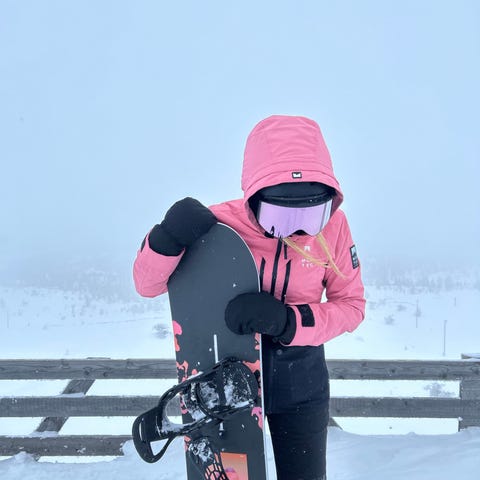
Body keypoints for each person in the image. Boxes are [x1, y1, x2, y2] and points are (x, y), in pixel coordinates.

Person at [133, 115, 366, 480]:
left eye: (311, 215)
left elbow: (351, 307)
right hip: (228, 382)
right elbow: (147, 284)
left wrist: (290, 321)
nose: (296, 229)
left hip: (300, 380)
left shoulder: (334, 228)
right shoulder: (220, 225)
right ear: (253, 196)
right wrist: (166, 239)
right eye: (278, 216)